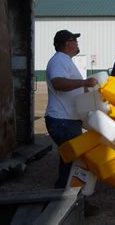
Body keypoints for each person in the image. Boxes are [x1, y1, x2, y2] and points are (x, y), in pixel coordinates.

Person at [44, 30, 98, 189]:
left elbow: (75, 88)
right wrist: (84, 83)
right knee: (74, 160)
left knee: (70, 160)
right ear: (67, 43)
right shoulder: (58, 61)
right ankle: (68, 200)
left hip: (68, 120)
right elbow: (58, 83)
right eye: (75, 41)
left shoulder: (65, 60)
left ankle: (65, 197)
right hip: (62, 121)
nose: (77, 44)